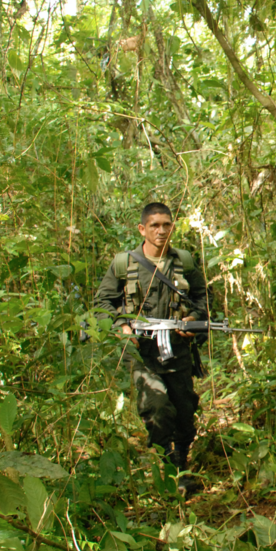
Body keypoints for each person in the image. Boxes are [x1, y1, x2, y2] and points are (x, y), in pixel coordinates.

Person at [93, 202, 208, 494]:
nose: (161, 230)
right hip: (142, 354)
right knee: (156, 408)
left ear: (172, 227)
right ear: (142, 229)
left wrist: (193, 319)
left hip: (178, 352)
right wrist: (122, 325)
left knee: (184, 411)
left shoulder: (184, 262)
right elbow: (102, 303)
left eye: (166, 224)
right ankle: (169, 470)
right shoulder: (125, 264)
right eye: (154, 225)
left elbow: (203, 298)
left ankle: (182, 464)